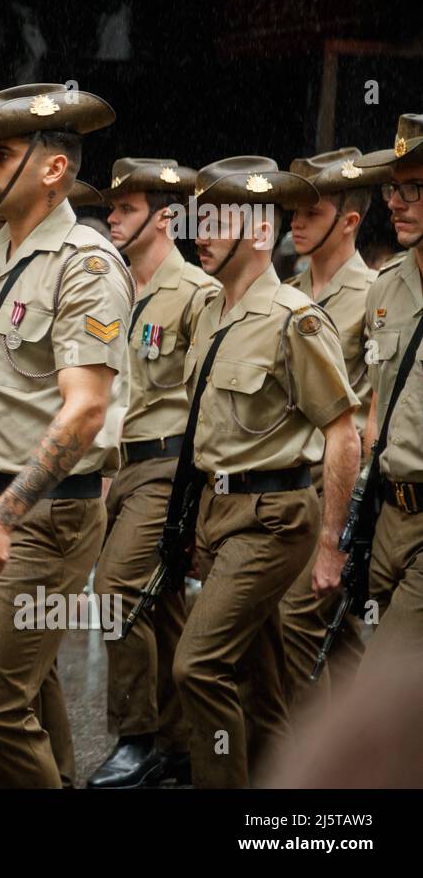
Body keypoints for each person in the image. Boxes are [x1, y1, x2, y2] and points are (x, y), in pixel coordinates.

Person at [0, 83, 134, 788]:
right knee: (22, 700)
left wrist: (3, 515)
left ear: (53, 169)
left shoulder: (85, 263)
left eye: (1, 155)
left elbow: (84, 411)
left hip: (37, 515)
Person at [172, 156, 360, 788]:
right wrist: (198, 523)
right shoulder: (209, 313)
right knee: (262, 680)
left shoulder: (294, 319)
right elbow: (209, 436)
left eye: (218, 220)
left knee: (196, 666)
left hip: (275, 519)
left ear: (256, 232)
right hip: (222, 516)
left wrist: (331, 545)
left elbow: (342, 433)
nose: (201, 233)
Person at [88, 157, 216, 788]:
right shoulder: (110, 287)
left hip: (169, 465)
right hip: (121, 468)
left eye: (127, 209)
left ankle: (135, 740)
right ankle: (182, 745)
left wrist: (201, 504)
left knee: (115, 595)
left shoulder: (196, 293)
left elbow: (209, 406)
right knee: (158, 606)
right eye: (111, 208)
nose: (112, 218)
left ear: (166, 217)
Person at [278, 148, 385, 707]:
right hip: (282, 484)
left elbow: (375, 408)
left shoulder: (373, 295)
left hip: (335, 481)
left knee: (296, 620)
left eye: (311, 213)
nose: (294, 222)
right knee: (334, 629)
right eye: (292, 210)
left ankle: (308, 762)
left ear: (349, 221)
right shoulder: (285, 290)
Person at [352, 114, 423, 674]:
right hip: (387, 516)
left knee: (381, 676)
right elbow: (379, 402)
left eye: (414, 189)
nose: (395, 203)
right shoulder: (385, 288)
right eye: (392, 188)